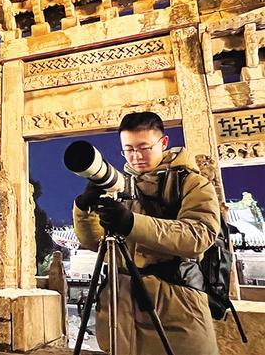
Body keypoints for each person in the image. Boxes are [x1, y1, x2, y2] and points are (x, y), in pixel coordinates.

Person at [73, 111, 221, 355]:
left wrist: (131, 223)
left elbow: (199, 236)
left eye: (144, 147)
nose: (136, 156)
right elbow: (95, 243)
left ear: (163, 142)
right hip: (121, 309)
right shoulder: (121, 185)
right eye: (129, 149)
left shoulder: (192, 183)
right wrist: (83, 209)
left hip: (175, 306)